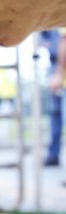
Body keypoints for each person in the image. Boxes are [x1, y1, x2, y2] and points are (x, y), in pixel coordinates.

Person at [43, 29, 64, 166]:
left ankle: (53, 155)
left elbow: (64, 41)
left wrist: (59, 74)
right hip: (58, 72)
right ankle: (53, 155)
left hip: (60, 73)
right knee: (56, 118)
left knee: (57, 118)